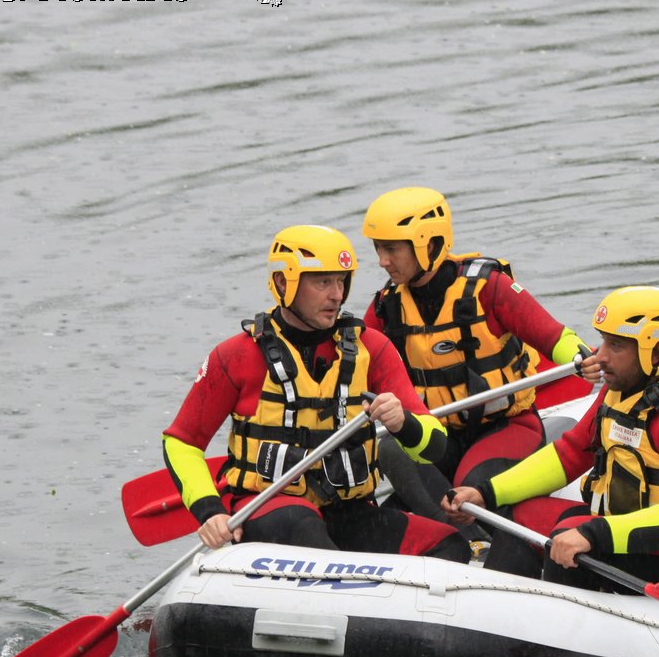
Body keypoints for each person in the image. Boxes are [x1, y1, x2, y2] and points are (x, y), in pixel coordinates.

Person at [442, 287, 659, 603]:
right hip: (635, 525)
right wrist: (486, 492)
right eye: (603, 342)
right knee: (521, 516)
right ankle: (498, 611)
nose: (599, 357)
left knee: (570, 537)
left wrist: (593, 533)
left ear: (656, 351)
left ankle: (555, 642)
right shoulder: (624, 387)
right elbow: (570, 452)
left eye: (615, 346)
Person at [161, 224, 469, 562]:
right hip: (272, 510)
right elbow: (182, 443)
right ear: (283, 282)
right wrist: (209, 510)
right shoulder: (235, 356)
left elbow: (434, 444)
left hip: (350, 513)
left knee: (450, 545)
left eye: (341, 281)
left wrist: (404, 424)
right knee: (303, 526)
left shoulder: (372, 349)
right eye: (323, 282)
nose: (337, 295)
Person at [360, 186, 599, 500]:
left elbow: (555, 336)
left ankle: (470, 532)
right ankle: (456, 533)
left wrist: (582, 359)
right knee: (392, 448)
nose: (382, 261)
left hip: (507, 427)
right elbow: (352, 366)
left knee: (470, 481)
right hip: (439, 437)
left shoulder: (488, 287)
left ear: (427, 243)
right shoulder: (386, 307)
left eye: (391, 249)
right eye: (378, 249)